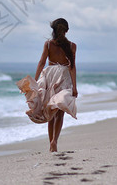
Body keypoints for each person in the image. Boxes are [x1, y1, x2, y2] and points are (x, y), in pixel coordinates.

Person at [16, 18, 77, 152]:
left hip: (49, 76)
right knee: (60, 112)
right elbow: (72, 67)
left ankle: (51, 144)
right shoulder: (72, 46)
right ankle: (55, 141)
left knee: (50, 111)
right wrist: (75, 87)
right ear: (67, 30)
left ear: (53, 30)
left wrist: (34, 81)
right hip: (63, 77)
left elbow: (41, 63)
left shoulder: (48, 44)